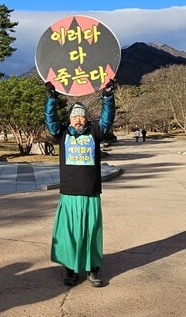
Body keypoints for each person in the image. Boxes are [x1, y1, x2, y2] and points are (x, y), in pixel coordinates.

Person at [44, 79, 116, 287]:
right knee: (68, 234)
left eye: (82, 116)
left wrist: (108, 96)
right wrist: (51, 97)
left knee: (92, 232)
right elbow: (50, 120)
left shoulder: (95, 133)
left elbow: (107, 118)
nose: (78, 119)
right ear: (70, 119)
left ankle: (93, 269)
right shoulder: (62, 134)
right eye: (75, 116)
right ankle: (70, 269)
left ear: (86, 119)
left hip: (90, 193)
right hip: (69, 194)